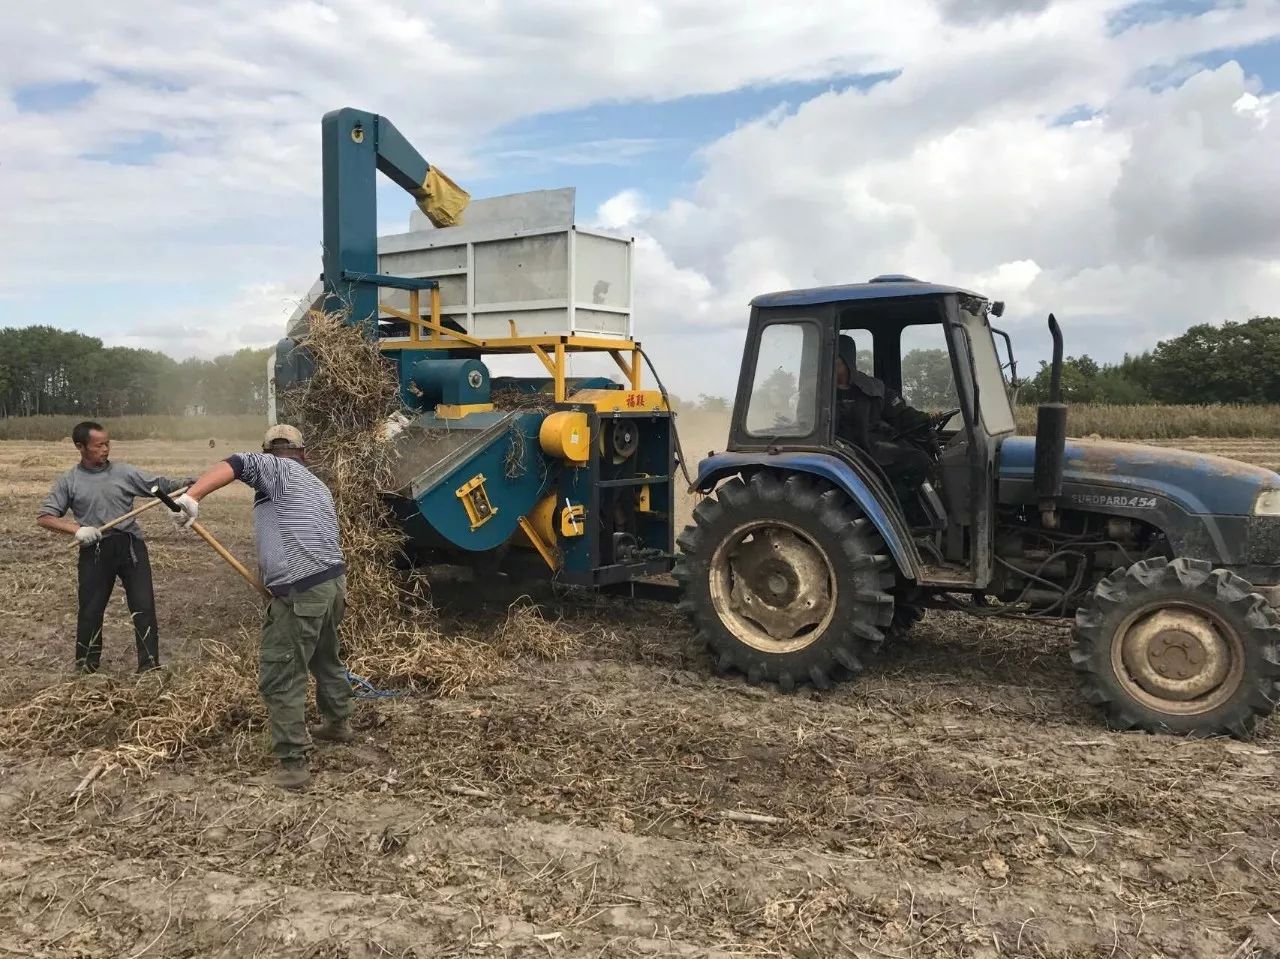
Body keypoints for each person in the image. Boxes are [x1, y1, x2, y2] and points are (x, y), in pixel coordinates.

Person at [173, 424, 352, 790]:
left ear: (271, 451)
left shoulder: (276, 469)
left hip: (301, 591)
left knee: (282, 674)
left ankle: (293, 764)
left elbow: (237, 463)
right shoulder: (315, 484)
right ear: (304, 451)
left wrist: (193, 498)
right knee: (325, 657)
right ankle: (338, 722)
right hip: (332, 584)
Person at [37, 421, 191, 674]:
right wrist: (77, 530)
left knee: (143, 607)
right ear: (80, 447)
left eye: (108, 443)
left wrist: (193, 483)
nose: (106, 449)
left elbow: (160, 485)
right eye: (99, 445)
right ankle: (86, 667)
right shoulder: (69, 481)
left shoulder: (124, 473)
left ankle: (149, 667)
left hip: (130, 546)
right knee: (91, 610)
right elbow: (45, 517)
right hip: (95, 549)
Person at [834, 335, 936, 495]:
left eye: (837, 357)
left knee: (919, 457)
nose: (833, 362)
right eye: (831, 356)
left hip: (873, 446)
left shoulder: (872, 388)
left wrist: (924, 418)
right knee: (918, 460)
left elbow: (900, 412)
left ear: (847, 358)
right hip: (845, 452)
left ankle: (900, 502)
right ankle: (888, 505)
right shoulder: (821, 393)